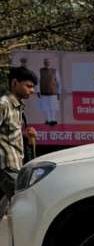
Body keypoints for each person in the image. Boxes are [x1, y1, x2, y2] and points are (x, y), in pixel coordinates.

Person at [0, 66, 38, 218]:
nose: (32, 91)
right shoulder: (4, 105)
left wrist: (28, 137)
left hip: (14, 165)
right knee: (26, 202)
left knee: (6, 210)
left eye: (33, 87)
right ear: (15, 83)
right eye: (28, 86)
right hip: (6, 166)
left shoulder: (17, 107)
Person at [38, 58, 60, 125]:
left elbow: (59, 82)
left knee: (53, 107)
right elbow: (38, 82)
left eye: (48, 62)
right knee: (46, 107)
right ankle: (48, 120)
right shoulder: (40, 71)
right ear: (44, 63)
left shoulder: (54, 71)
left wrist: (59, 92)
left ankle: (53, 120)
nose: (47, 63)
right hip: (44, 92)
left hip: (53, 92)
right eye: (45, 62)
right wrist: (38, 91)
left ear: (50, 63)